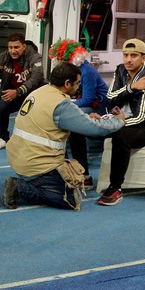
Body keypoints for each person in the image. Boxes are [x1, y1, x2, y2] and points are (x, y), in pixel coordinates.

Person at [2, 62, 125, 210]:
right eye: (77, 83)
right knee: (71, 199)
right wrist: (118, 121)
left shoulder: (39, 92)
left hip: (18, 158)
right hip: (38, 166)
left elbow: (53, 120)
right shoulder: (61, 104)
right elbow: (95, 129)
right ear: (67, 83)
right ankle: (20, 188)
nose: (78, 87)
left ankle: (27, 183)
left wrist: (85, 117)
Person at [97, 38, 145, 206]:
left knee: (121, 136)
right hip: (122, 120)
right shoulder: (120, 70)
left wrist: (115, 124)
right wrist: (132, 87)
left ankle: (115, 187)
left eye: (134, 55)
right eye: (125, 55)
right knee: (82, 127)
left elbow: (142, 117)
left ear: (144, 58)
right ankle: (83, 177)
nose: (128, 59)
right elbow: (110, 98)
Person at [47, 39, 109, 186]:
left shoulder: (87, 72)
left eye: (63, 59)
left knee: (74, 121)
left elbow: (88, 99)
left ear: (72, 57)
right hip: (78, 103)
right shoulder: (66, 72)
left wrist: (69, 106)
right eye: (58, 58)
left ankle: (82, 173)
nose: (59, 61)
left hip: (97, 106)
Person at [0, 32, 43, 150]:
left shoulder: (35, 57)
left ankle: (35, 141)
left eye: (16, 47)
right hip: (12, 94)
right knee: (2, 107)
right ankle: (3, 138)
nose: (13, 51)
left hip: (33, 95)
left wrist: (18, 91)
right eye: (10, 47)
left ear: (24, 47)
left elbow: (37, 78)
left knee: (32, 116)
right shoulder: (3, 57)